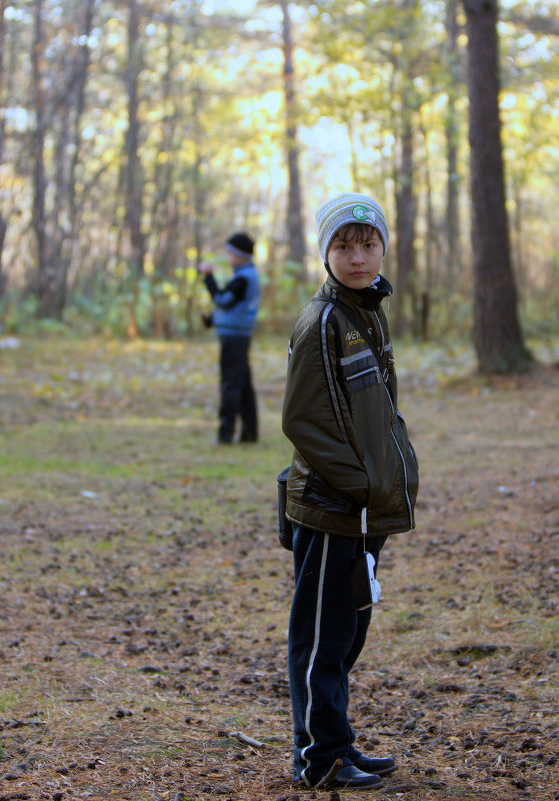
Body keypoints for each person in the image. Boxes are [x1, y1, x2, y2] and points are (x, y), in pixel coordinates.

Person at [281, 193, 419, 790]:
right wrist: (364, 485)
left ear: (383, 248)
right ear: (326, 252)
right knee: (321, 639)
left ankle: (337, 745)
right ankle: (320, 760)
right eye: (344, 245)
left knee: (348, 632)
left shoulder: (365, 311)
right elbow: (305, 423)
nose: (358, 257)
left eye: (368, 244)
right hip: (334, 507)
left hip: (364, 509)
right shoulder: (323, 322)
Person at [198, 232, 260, 444]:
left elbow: (223, 300)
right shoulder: (244, 275)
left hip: (234, 339)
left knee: (231, 385)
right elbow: (233, 308)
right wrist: (213, 320)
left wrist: (208, 278)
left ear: (240, 255)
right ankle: (249, 433)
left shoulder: (243, 277)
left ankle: (225, 434)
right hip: (237, 336)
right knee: (242, 385)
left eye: (230, 253)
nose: (227, 257)